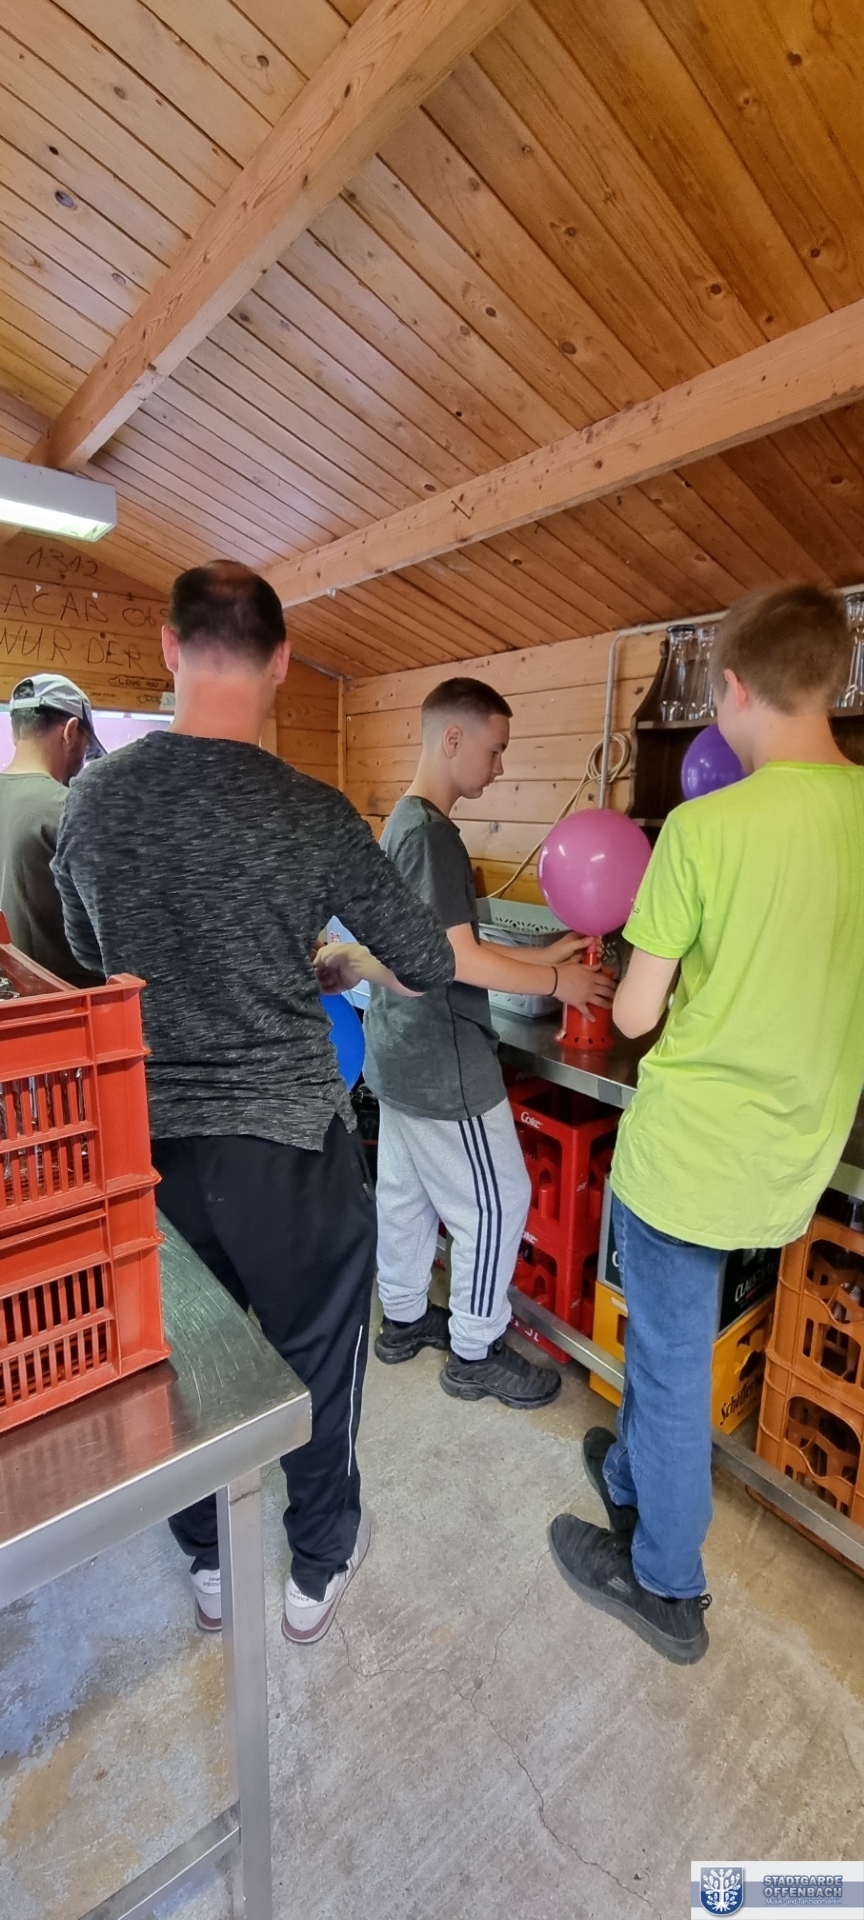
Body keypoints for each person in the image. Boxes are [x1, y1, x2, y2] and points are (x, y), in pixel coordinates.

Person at [52, 561, 455, 1645]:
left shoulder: (92, 801)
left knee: (179, 1369)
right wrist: (336, 961)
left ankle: (207, 1563)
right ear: (280, 664)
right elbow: (426, 960)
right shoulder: (310, 810)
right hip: (288, 1144)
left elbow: (93, 958)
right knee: (319, 1350)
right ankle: (316, 1566)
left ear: (170, 649)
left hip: (150, 1149)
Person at [549, 585, 864, 1665]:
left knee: (675, 1369)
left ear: (731, 689)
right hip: (791, 1158)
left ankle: (665, 1583)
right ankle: (633, 1476)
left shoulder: (703, 827)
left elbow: (636, 1013)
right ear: (833, 681)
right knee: (672, 1352)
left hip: (688, 1156)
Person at [354, 676, 614, 1411]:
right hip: (442, 1060)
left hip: (396, 1050)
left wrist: (548, 953)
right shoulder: (435, 835)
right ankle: (475, 1350)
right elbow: (458, 959)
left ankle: (404, 1318)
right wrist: (560, 981)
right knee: (498, 1201)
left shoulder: (402, 823)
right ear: (452, 738)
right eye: (495, 750)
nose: (500, 768)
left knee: (405, 1194)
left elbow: (446, 941)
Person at [0, 672, 104, 984]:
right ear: (71, 731)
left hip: (10, 991)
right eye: (86, 745)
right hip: (65, 994)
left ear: (15, 731)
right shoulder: (67, 807)